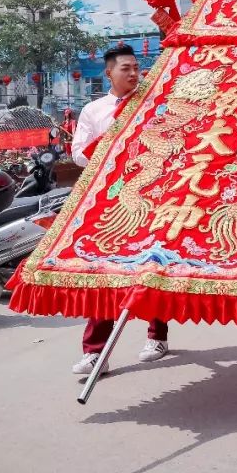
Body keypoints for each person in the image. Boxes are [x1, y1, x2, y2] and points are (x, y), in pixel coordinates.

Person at [69, 45, 169, 375]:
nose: (133, 73)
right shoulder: (94, 111)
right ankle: (96, 351)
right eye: (125, 68)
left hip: (153, 194)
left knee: (154, 264)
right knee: (105, 270)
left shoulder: (155, 104)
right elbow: (79, 155)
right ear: (109, 72)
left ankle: (157, 335)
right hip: (109, 199)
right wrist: (115, 135)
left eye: (136, 67)